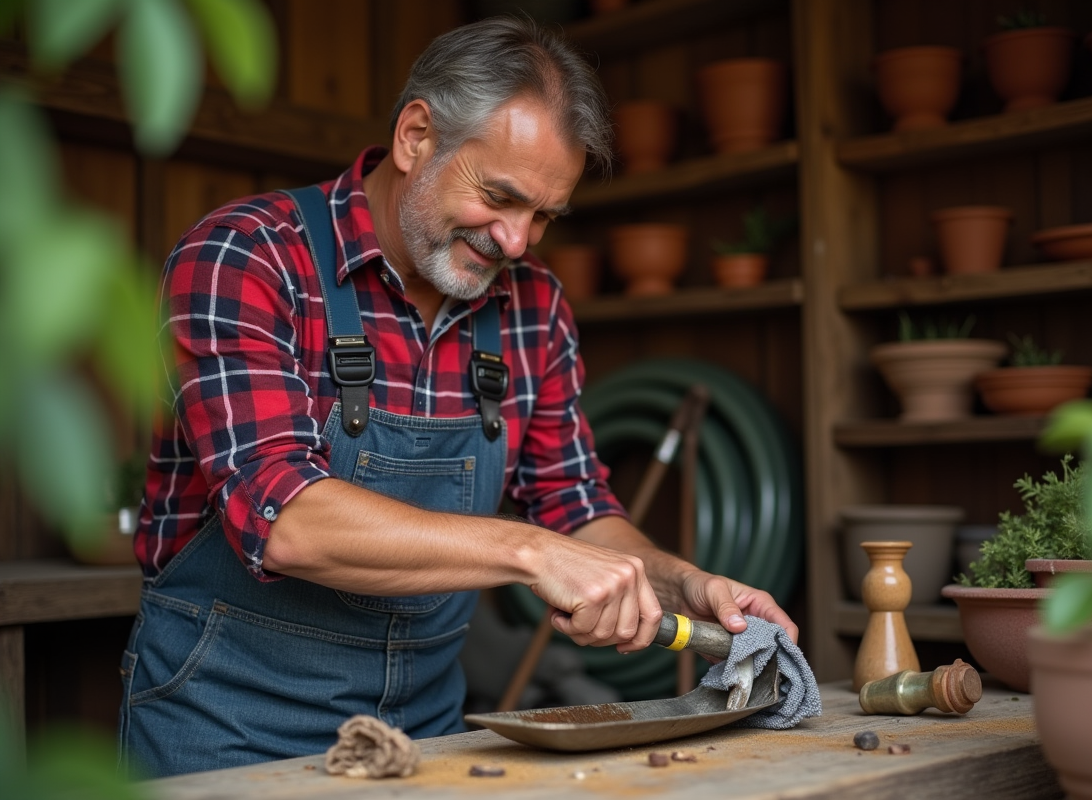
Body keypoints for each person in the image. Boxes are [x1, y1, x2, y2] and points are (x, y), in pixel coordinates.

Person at [122, 15, 797, 778]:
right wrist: (530, 552)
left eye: (542, 214)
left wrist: (686, 584)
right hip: (226, 723)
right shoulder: (245, 256)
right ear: (416, 136)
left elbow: (575, 507)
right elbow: (288, 521)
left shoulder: (532, 304)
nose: (517, 241)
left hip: (428, 735)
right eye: (499, 197)